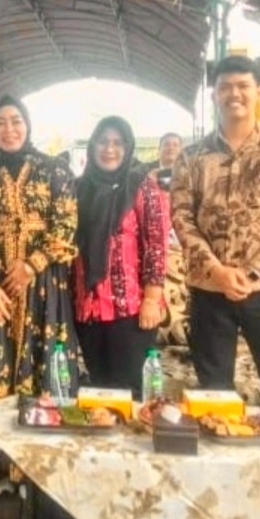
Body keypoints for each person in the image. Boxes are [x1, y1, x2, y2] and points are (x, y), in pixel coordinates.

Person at [0, 95, 80, 485]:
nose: (9, 129)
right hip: (0, 294)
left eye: (16, 121)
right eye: (1, 123)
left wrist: (30, 265)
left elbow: (66, 229)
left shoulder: (56, 170)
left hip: (45, 293)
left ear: (28, 125)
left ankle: (39, 470)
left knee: (45, 367)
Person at [170, 55, 260, 412]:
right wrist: (216, 270)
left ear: (258, 92)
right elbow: (182, 217)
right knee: (213, 394)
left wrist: (250, 273)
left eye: (243, 86)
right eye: (226, 86)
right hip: (209, 291)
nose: (235, 94)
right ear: (214, 94)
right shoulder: (191, 157)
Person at [72, 116, 169, 399]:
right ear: (92, 146)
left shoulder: (141, 186)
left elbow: (156, 244)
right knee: (100, 392)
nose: (109, 149)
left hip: (131, 311)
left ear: (128, 148)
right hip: (88, 311)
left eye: (117, 143)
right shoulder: (78, 189)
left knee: (132, 393)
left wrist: (152, 298)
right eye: (102, 142)